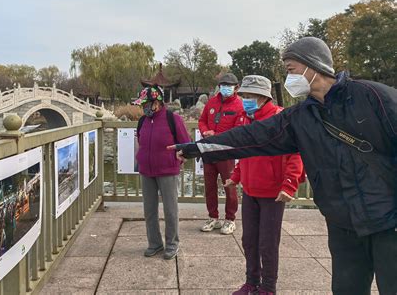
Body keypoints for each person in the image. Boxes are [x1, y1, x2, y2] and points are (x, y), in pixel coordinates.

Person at [170, 37, 397, 295]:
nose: (289, 78)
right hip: (343, 225)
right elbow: (250, 138)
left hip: (388, 221)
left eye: (291, 69)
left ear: (314, 65)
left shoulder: (373, 96)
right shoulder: (300, 117)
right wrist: (195, 148)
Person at [223, 75, 304, 294]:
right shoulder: (247, 119)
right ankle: (252, 281)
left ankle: (268, 287)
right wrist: (237, 175)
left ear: (262, 97)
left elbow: (295, 153)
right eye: (244, 96)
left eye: (249, 96)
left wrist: (289, 184)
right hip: (250, 191)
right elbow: (244, 152)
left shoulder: (279, 119)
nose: (245, 100)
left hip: (272, 193)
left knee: (268, 244)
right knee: (249, 240)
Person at [134, 85, 190, 260]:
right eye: (142, 104)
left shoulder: (173, 119)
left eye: (146, 104)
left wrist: (179, 159)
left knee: (170, 210)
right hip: (146, 171)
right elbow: (140, 142)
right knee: (149, 210)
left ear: (157, 102)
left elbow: (186, 144)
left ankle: (172, 244)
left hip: (167, 171)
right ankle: (154, 243)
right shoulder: (142, 120)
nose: (143, 107)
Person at [198, 72, 244, 234]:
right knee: (209, 186)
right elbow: (202, 120)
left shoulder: (240, 105)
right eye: (222, 85)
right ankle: (213, 217)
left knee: (229, 185)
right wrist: (205, 132)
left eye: (228, 86)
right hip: (209, 151)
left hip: (226, 152)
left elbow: (238, 130)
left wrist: (215, 136)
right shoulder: (211, 102)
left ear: (236, 88)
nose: (225, 88)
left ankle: (230, 219)